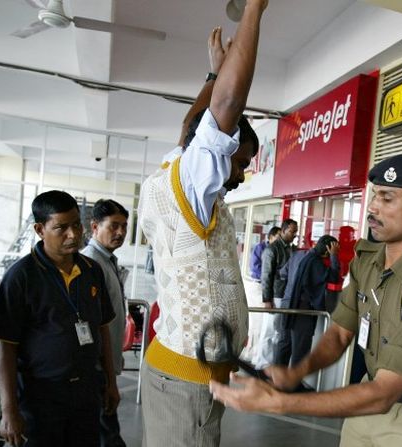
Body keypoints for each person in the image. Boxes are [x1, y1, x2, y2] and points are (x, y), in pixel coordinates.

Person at [210, 154, 402, 447]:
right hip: (366, 394)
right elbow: (341, 331)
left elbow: (385, 394)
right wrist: (298, 372)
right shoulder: (368, 261)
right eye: (374, 195)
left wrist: (278, 402)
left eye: (387, 198)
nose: (372, 207)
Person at [136, 3, 267, 445]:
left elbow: (189, 126)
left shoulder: (172, 171)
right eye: (240, 162)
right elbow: (227, 106)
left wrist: (213, 75)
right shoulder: (190, 184)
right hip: (187, 380)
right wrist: (254, 9)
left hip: (180, 368)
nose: (241, 174)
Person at [0, 190, 117, 447]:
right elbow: (6, 346)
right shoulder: (21, 276)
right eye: (61, 228)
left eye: (76, 224)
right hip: (40, 396)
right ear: (39, 229)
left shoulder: (91, 271)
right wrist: (9, 410)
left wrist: (111, 383)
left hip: (86, 393)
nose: (73, 234)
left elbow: (102, 330)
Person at [81, 199, 130, 447]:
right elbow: (93, 325)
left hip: (105, 364)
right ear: (94, 226)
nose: (120, 232)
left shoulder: (107, 260)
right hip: (97, 367)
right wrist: (108, 377)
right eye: (114, 226)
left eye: (124, 226)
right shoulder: (91, 264)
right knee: (107, 434)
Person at [281, 234, 340, 368]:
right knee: (301, 352)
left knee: (293, 348)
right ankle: (293, 386)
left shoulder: (308, 257)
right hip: (304, 311)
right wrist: (334, 256)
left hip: (298, 308)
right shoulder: (314, 262)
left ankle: (288, 383)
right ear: (328, 249)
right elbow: (333, 277)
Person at [254, 218, 298, 367]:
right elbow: (266, 275)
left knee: (278, 333)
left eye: (296, 232)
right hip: (275, 295)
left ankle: (270, 364)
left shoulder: (292, 249)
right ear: (283, 230)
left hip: (285, 295)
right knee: (269, 331)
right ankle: (262, 364)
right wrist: (267, 299)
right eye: (292, 231)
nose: (294, 235)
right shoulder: (271, 250)